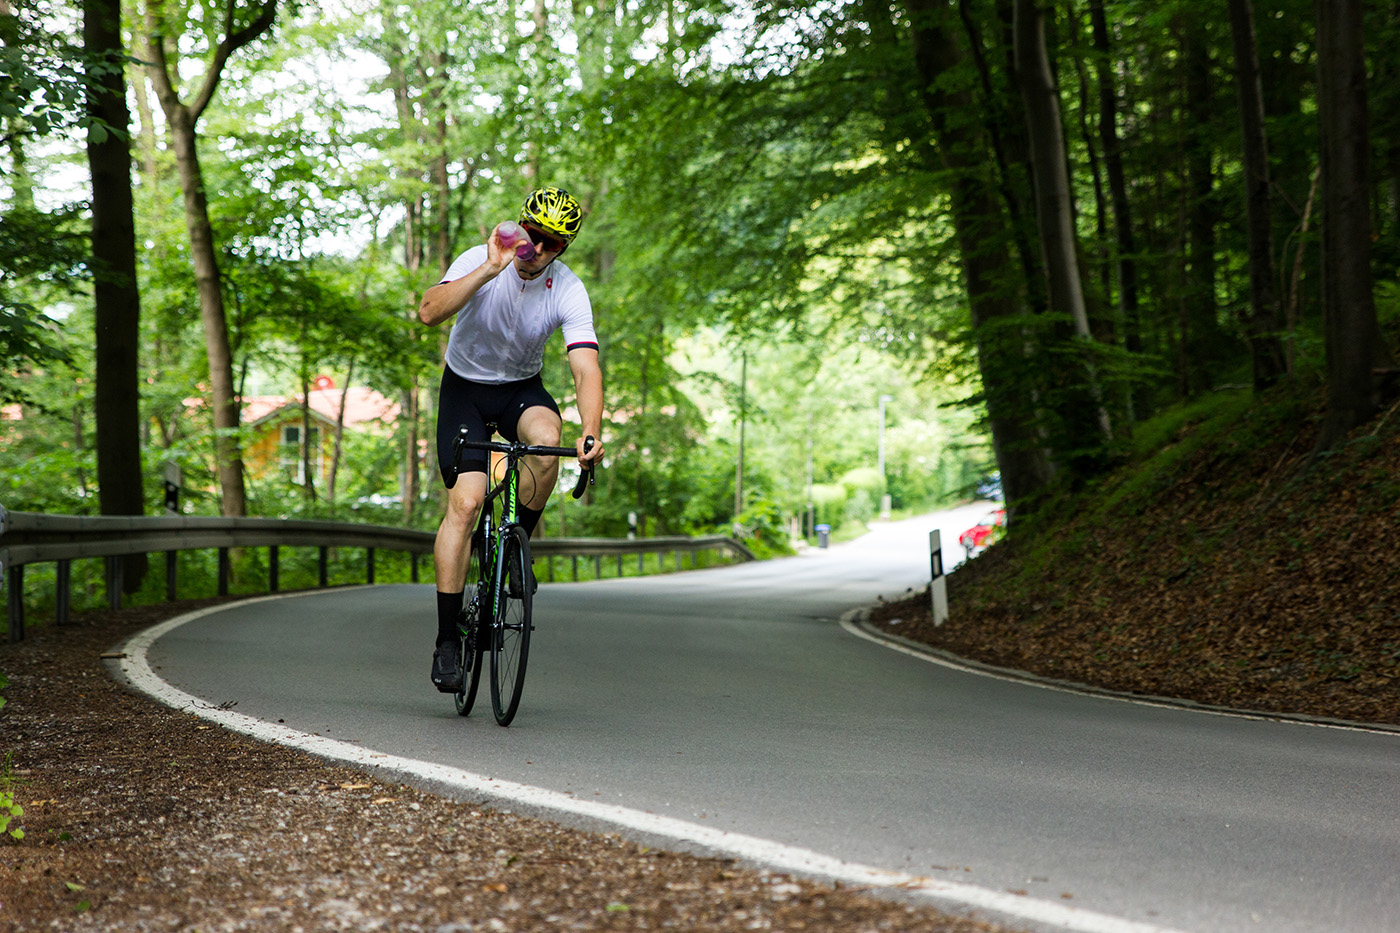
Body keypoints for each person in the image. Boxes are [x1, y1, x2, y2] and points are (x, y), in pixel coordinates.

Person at [418, 186, 605, 693]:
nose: (537, 250)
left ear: (563, 248)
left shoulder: (567, 288)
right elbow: (429, 312)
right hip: (465, 390)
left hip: (520, 389)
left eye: (551, 244)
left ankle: (516, 551)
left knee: (546, 442)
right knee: (467, 503)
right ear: (519, 228)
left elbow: (585, 368)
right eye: (532, 236)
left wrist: (592, 432)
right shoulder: (480, 259)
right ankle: (447, 639)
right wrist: (487, 268)